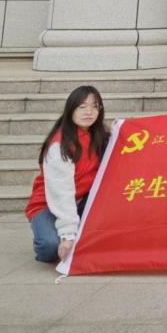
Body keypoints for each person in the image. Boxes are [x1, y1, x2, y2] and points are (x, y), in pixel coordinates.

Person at [25, 85, 109, 263]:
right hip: (49, 203)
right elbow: (61, 194)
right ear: (71, 110)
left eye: (94, 106)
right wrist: (67, 235)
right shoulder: (59, 146)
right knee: (50, 246)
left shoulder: (100, 136)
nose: (89, 112)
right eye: (82, 107)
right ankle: (48, 231)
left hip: (82, 200)